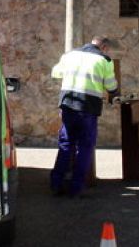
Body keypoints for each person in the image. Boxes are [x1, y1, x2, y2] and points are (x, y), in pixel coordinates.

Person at [50, 36, 119, 197]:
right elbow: (111, 85)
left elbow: (56, 73)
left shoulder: (70, 55)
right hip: (88, 108)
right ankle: (76, 188)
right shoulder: (104, 60)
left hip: (68, 104)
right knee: (85, 148)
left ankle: (56, 183)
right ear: (104, 47)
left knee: (66, 145)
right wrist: (115, 92)